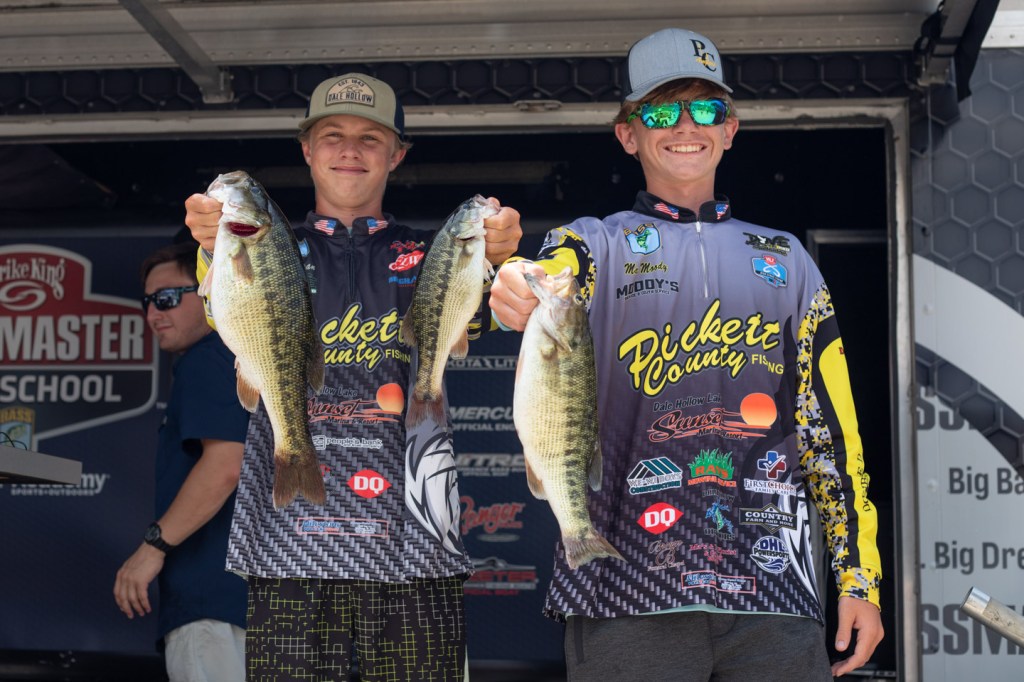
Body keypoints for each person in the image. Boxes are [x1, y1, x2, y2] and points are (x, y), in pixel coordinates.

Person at [489, 27, 884, 681]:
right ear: (628, 133)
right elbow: (547, 273)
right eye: (660, 111)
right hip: (625, 593)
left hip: (774, 595)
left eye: (704, 108)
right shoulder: (594, 243)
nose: (685, 126)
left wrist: (858, 579)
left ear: (729, 128)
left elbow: (833, 436)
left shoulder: (788, 260)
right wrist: (513, 278)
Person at [182, 73, 522, 680]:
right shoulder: (263, 246)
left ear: (397, 154)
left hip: (417, 547)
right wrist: (212, 245)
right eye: (332, 135)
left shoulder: (437, 252)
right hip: (288, 546)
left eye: (370, 138)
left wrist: (498, 257)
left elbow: (495, 312)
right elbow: (220, 303)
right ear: (307, 149)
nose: (350, 150)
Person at [114, 241, 250, 682]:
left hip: (213, 601)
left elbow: (226, 463)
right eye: (148, 302)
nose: (154, 313)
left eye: (168, 298)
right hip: (263, 603)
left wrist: (151, 548)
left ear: (211, 292)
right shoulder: (246, 357)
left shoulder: (209, 358)